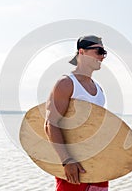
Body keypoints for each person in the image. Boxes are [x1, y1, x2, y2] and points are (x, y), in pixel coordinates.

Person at [44, 35, 109, 191]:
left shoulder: (99, 89)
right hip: (73, 167)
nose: (102, 56)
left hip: (97, 166)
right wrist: (67, 160)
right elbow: (50, 124)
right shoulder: (66, 83)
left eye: (104, 53)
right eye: (98, 51)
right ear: (82, 52)